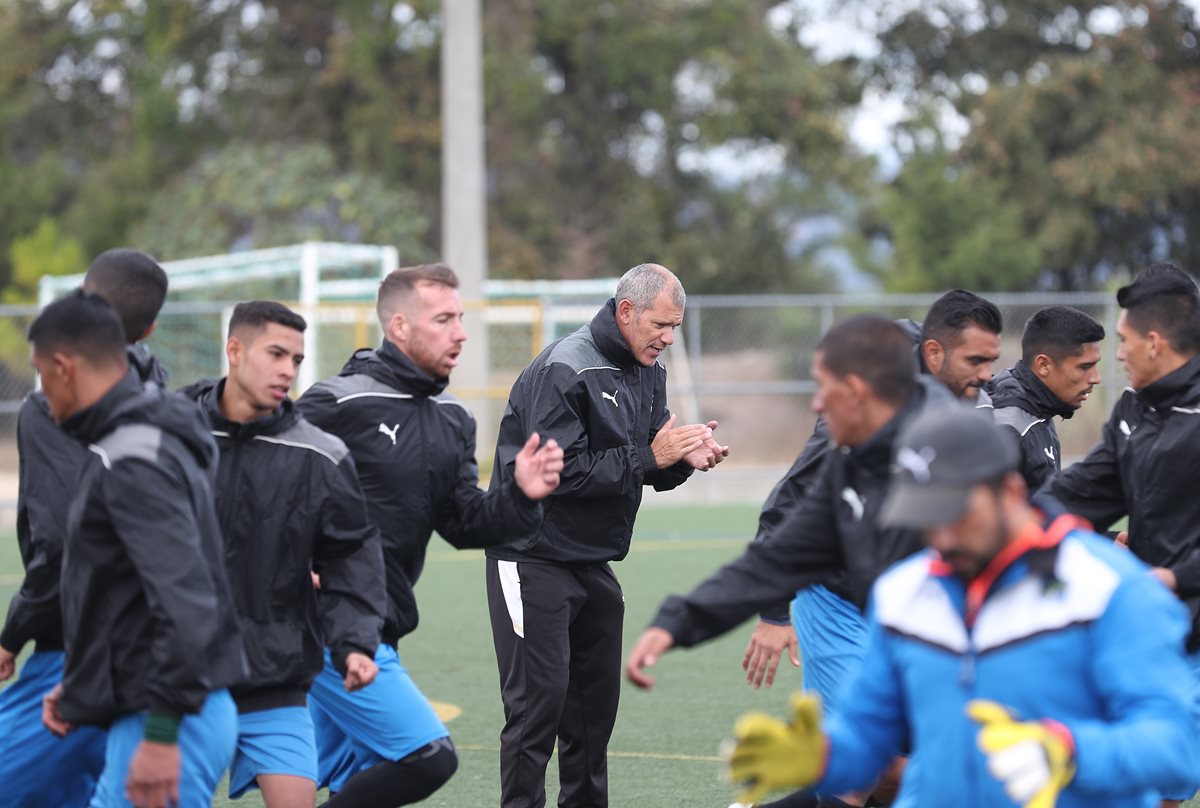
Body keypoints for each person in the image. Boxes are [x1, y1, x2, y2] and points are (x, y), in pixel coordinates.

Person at [724, 406, 1200, 808]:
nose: (942, 537)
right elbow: (871, 735)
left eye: (957, 514)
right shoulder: (903, 594)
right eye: (926, 518)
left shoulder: (1112, 588)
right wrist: (826, 756)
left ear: (1010, 493)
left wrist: (1069, 750)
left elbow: (1175, 747)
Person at [625, 314, 959, 808]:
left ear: (861, 390)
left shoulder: (954, 455)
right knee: (876, 773)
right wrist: (676, 622)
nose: (815, 403)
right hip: (905, 651)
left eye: (824, 388)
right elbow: (777, 559)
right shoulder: (849, 467)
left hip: (1002, 663)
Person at [296, 262, 565, 804]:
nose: (461, 333)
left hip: (381, 623)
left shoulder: (451, 418)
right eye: (443, 319)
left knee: (360, 781)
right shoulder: (337, 403)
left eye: (460, 319)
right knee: (428, 757)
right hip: (320, 627)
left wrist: (521, 495)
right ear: (399, 327)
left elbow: (466, 523)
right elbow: (262, 478)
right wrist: (292, 558)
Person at [486, 262, 728, 808]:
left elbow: (648, 465)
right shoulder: (565, 368)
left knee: (594, 714)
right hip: (531, 555)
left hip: (592, 560)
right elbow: (557, 475)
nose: (668, 339)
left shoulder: (650, 371)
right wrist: (651, 455)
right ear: (626, 312)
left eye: (676, 327)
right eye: (660, 325)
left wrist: (684, 458)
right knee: (535, 713)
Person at [30, 290, 247, 808]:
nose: (42, 392)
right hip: (162, 704)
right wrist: (86, 684)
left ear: (63, 367)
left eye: (40, 374)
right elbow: (130, 588)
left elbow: (184, 598)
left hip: (171, 715)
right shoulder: (146, 433)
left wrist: (162, 733)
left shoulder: (132, 459)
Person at [181, 301, 387, 807]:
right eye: (275, 353)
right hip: (184, 683)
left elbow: (350, 555)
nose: (286, 370)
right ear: (233, 349)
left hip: (274, 680)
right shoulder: (172, 435)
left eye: (295, 359)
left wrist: (355, 642)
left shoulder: (320, 453)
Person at [0, 248, 169, 806]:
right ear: (148, 328)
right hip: (153, 655)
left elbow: (63, 543)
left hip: (77, 650)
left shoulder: (54, 401)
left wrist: (13, 634)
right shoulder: (159, 391)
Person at [1037, 264, 1200, 806]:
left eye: (1125, 342)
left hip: (1186, 622)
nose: (1117, 356)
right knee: (1142, 782)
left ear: (1154, 343)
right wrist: (1012, 527)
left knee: (1159, 774)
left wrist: (1173, 576)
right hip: (1157, 628)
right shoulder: (1133, 408)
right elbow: (1082, 491)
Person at [986, 306, 1104, 491]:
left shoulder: (1039, 405)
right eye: (1085, 367)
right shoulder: (1010, 430)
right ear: (1043, 365)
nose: (1096, 378)